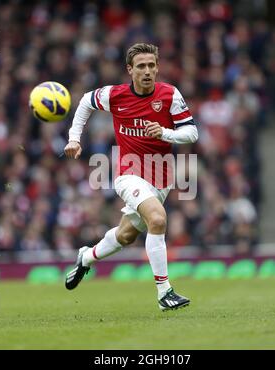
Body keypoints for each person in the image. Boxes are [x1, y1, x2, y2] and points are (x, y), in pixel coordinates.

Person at [64, 43, 198, 311]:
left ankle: (86, 258)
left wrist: (165, 133)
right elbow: (84, 102)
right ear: (130, 70)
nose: (147, 71)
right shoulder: (114, 95)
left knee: (125, 236)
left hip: (162, 177)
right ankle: (164, 292)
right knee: (157, 219)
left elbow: (191, 133)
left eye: (152, 65)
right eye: (141, 66)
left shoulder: (169, 94)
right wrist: (74, 138)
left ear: (157, 67)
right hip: (129, 174)